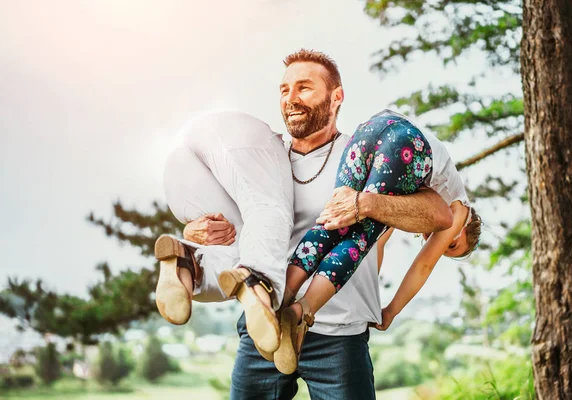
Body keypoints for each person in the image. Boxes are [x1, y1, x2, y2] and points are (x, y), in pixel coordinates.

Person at [157, 49, 453, 399]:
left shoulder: (363, 154)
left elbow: (438, 213)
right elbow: (230, 225)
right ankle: (190, 266)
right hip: (263, 329)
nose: (290, 99)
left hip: (339, 338)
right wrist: (197, 232)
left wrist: (367, 203)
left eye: (304, 88)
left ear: (336, 97)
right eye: (284, 90)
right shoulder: (259, 158)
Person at [274, 109, 482, 374]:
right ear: (465, 228)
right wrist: (391, 311)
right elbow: (423, 266)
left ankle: (283, 296)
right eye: (452, 244)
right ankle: (302, 310)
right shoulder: (460, 210)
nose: (440, 244)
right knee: (358, 235)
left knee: (336, 216)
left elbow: (378, 244)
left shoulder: (410, 192)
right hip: (407, 145)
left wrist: (374, 298)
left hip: (372, 129)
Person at [154, 109, 294, 354]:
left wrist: (189, 234)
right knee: (269, 210)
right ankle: (257, 283)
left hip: (178, 169)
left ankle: (187, 261)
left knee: (236, 251)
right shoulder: (293, 154)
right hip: (234, 139)